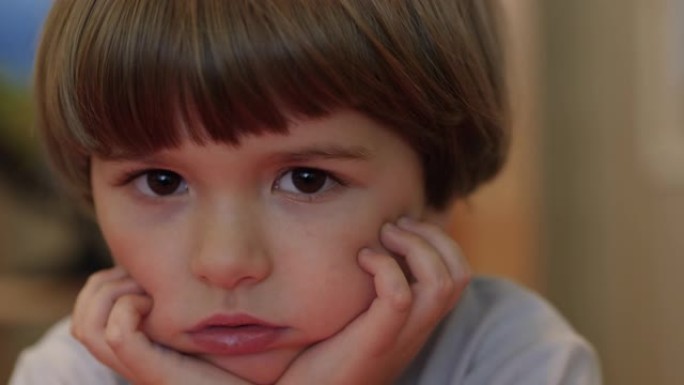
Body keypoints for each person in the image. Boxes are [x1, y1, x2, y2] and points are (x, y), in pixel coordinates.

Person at [10, 0, 601, 384]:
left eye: (306, 180)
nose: (225, 263)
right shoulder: (70, 374)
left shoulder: (514, 357)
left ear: (438, 182)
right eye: (161, 182)